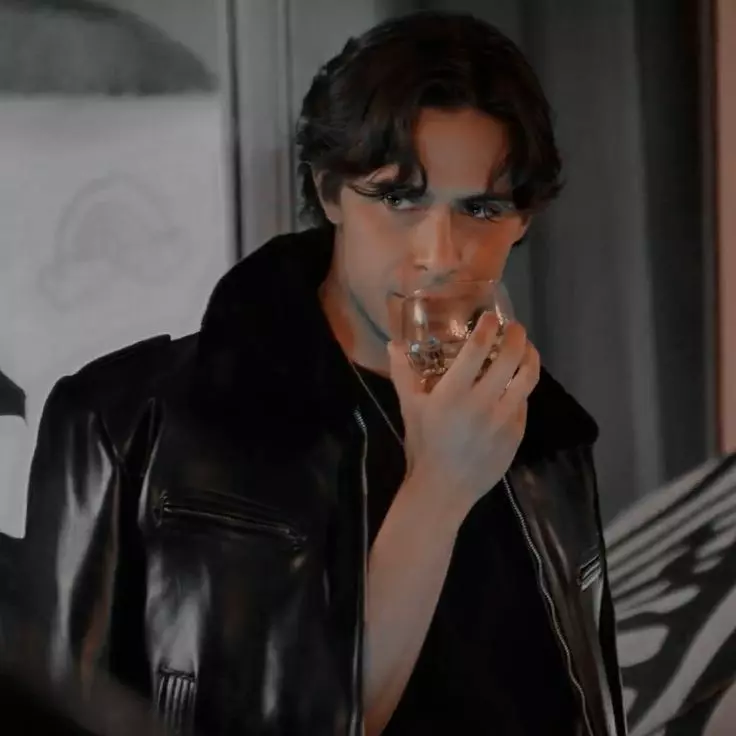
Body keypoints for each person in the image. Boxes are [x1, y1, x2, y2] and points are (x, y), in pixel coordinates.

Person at [20, 11, 626, 736]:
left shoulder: (546, 440)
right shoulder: (126, 424)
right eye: (399, 197)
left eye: (481, 208)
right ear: (331, 191)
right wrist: (438, 489)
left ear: (521, 220)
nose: (440, 253)